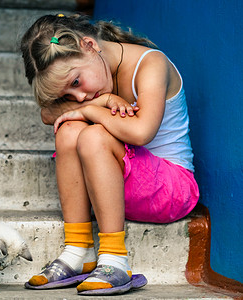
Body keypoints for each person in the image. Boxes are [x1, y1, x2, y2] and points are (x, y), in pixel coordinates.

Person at [20, 14, 199, 295]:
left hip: (171, 191)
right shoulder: (91, 78)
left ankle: (115, 259)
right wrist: (102, 101)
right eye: (67, 92)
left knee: (92, 135)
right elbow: (48, 113)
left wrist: (92, 111)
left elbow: (141, 133)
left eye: (76, 81)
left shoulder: (150, 64)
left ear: (90, 45)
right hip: (116, 188)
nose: (78, 97)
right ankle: (78, 250)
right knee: (68, 131)